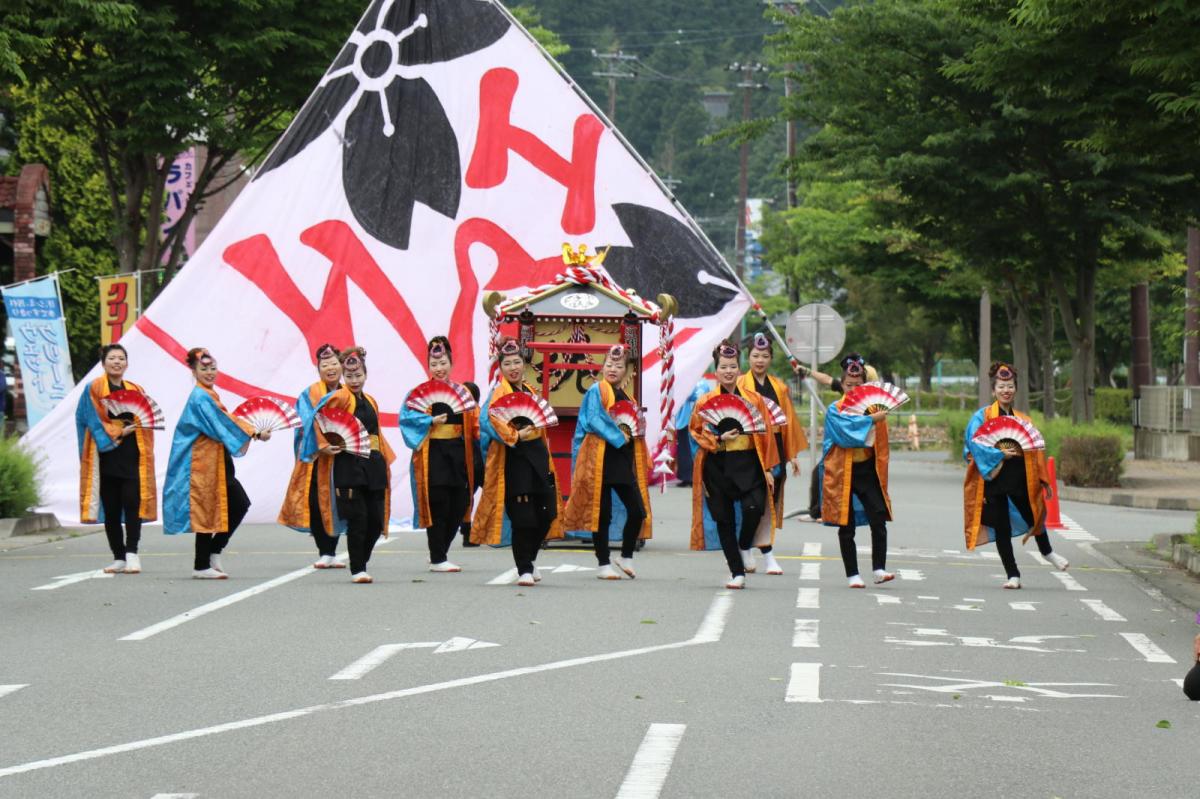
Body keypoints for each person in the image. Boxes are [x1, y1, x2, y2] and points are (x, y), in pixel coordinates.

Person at [164, 348, 269, 579]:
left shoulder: (209, 394)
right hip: (200, 463)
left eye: (212, 368)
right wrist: (254, 432)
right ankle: (202, 564)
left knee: (236, 504)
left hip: (216, 459)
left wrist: (251, 431)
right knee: (208, 509)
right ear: (193, 370)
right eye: (204, 369)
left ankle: (212, 553)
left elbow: (224, 421)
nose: (210, 373)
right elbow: (221, 422)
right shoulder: (200, 397)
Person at [963, 362, 1069, 589]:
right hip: (993, 479)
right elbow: (973, 446)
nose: (1006, 390)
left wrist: (1043, 479)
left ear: (1015, 389)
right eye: (1001, 386)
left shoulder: (1023, 420)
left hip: (1021, 478)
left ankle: (1048, 552)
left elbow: (1036, 450)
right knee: (1001, 527)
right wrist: (998, 454)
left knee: (1035, 515)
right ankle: (1013, 575)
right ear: (994, 390)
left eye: (1010, 386)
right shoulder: (981, 418)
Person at [472, 337, 563, 586]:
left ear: (524, 364)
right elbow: (487, 421)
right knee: (523, 517)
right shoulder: (497, 394)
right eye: (508, 363)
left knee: (548, 513)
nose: (513, 367)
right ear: (500, 367)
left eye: (517, 362)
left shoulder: (530, 391)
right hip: (513, 459)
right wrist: (514, 435)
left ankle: (529, 559)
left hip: (538, 456)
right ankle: (524, 567)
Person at [688, 339, 779, 590]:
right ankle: (736, 572)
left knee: (754, 507)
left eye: (732, 366)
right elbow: (695, 431)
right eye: (723, 367)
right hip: (717, 464)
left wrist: (769, 468)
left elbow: (766, 434)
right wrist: (717, 438)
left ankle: (745, 543)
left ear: (739, 369)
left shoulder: (754, 399)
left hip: (749, 463)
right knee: (723, 519)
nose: (728, 371)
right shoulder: (705, 400)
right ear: (716, 371)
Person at [563, 344, 652, 579]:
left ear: (628, 370)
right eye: (609, 364)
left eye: (619, 366)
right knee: (601, 513)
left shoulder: (627, 396)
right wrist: (618, 436)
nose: (613, 369)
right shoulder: (597, 390)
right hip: (599, 457)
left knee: (637, 510)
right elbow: (593, 419)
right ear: (602, 367)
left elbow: (635, 426)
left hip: (619, 459)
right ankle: (603, 563)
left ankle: (625, 555)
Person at [75, 343, 158, 574]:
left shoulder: (136, 388)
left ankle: (132, 553)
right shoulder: (94, 388)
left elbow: (147, 418)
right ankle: (118, 556)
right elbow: (90, 419)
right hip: (105, 456)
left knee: (133, 504)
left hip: (132, 455)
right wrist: (118, 431)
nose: (117, 362)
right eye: (112, 358)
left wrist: (137, 426)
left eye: (121, 358)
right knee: (111, 509)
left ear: (127, 363)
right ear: (103, 363)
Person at [400, 336, 480, 573]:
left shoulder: (462, 392)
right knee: (438, 504)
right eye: (434, 365)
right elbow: (406, 420)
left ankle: (440, 551)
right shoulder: (418, 394)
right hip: (433, 455)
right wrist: (429, 420)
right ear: (428, 367)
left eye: (443, 363)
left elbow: (475, 425)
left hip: (458, 454)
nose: (439, 368)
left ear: (451, 363)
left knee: (460, 503)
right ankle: (438, 557)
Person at [320, 347, 395, 584]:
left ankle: (362, 559)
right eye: (349, 376)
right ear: (343, 375)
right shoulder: (340, 397)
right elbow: (319, 417)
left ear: (365, 374)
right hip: (348, 462)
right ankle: (357, 568)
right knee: (358, 518)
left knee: (376, 520)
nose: (354, 380)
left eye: (358, 375)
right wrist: (325, 443)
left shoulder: (371, 400)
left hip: (372, 462)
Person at [820, 354, 895, 588]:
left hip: (867, 469)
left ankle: (879, 568)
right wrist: (870, 420)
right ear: (842, 385)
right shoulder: (835, 410)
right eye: (849, 385)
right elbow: (845, 435)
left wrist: (874, 419)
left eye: (859, 385)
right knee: (846, 524)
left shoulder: (874, 408)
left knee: (878, 517)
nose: (853, 389)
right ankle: (852, 573)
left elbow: (880, 444)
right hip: (842, 470)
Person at [737, 332, 808, 575]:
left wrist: (792, 454)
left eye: (764, 356)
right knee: (756, 504)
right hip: (750, 450)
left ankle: (757, 549)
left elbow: (788, 421)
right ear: (748, 357)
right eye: (755, 355)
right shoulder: (740, 385)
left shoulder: (779, 387)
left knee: (768, 503)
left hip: (775, 449)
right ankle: (751, 549)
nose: (759, 360)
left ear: (770, 359)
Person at [278, 344, 346, 569]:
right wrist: (322, 445)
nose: (330, 368)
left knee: (337, 502)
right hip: (318, 455)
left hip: (341, 455)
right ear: (318, 369)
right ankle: (324, 550)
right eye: (325, 365)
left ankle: (333, 549)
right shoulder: (310, 394)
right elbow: (306, 422)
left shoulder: (347, 393)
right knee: (317, 502)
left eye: (334, 363)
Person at [458, 381, 484, 548]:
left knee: (467, 497)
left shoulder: (468, 409)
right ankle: (470, 532)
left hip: (472, 455)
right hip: (477, 456)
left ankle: (468, 532)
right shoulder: (476, 410)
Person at [674, 377, 712, 487]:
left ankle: (690, 476)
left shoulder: (698, 383)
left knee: (689, 449)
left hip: (692, 419)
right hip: (691, 419)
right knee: (686, 449)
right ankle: (689, 476)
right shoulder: (703, 383)